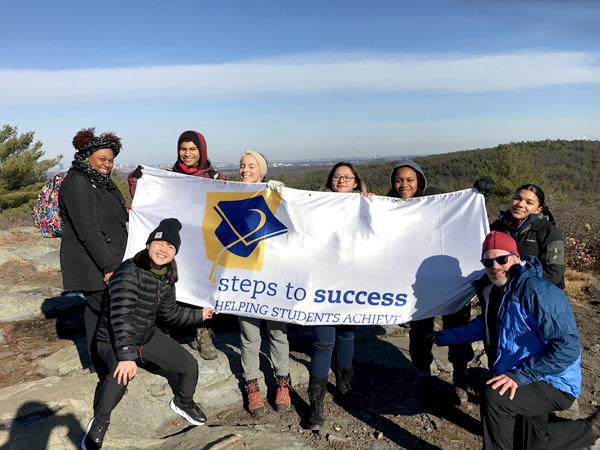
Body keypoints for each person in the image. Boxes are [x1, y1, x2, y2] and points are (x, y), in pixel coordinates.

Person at [430, 231, 599, 450]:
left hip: (552, 380)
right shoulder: (497, 292)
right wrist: (443, 337)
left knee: (495, 396)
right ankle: (593, 429)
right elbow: (485, 326)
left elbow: (567, 348)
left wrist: (519, 376)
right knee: (532, 444)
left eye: (502, 259)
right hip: (522, 376)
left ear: (517, 258)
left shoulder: (539, 292)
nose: (495, 266)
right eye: (488, 261)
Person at [81, 218, 215, 450]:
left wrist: (199, 315)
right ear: (148, 244)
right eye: (159, 243)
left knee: (189, 365)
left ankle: (183, 402)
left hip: (146, 336)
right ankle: (100, 421)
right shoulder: (128, 271)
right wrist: (125, 356)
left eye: (170, 247)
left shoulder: (165, 276)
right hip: (112, 339)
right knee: (119, 377)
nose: (163, 250)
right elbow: (120, 316)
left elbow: (170, 313)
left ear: (175, 253)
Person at [128, 130, 225, 361]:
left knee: (201, 288)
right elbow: (150, 200)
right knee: (168, 286)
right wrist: (137, 179)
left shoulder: (215, 178)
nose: (187, 153)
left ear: (201, 151)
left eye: (192, 149)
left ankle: (203, 333)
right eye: (183, 149)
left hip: (204, 243)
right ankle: (163, 335)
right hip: (177, 242)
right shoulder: (170, 176)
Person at [386, 159, 473, 400]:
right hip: (416, 283)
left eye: (409, 180)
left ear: (420, 181)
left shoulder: (437, 200)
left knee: (457, 324)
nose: (404, 184)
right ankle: (423, 374)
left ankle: (460, 372)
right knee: (420, 329)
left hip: (448, 277)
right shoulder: (385, 207)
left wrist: (476, 195)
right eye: (399, 180)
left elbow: (462, 213)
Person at [59, 128, 128, 368]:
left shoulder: (97, 180)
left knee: (97, 311)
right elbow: (87, 229)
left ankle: (96, 362)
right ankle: (110, 366)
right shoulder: (78, 182)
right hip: (93, 262)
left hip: (103, 258)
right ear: (87, 157)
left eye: (110, 160)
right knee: (108, 312)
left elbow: (104, 213)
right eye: (102, 159)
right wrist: (109, 267)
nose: (107, 164)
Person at [307, 161, 368, 431]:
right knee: (323, 341)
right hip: (322, 282)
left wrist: (375, 205)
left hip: (352, 282)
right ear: (330, 180)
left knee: (346, 334)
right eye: (337, 176)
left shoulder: (368, 206)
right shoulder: (317, 204)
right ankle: (316, 404)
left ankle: (344, 387)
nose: (341, 180)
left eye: (347, 176)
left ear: (356, 181)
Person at [236, 150, 290, 417]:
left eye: (252, 166)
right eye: (242, 165)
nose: (246, 169)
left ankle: (282, 381)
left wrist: (281, 196)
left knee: (278, 332)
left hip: (272, 279)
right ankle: (251, 384)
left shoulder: (273, 195)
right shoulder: (230, 194)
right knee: (249, 335)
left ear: (262, 171)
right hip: (244, 279)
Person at [490, 184, 565, 288]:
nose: (520, 204)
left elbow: (553, 274)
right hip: (498, 294)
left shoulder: (549, 232)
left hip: (532, 295)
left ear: (539, 209)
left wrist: (518, 275)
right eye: (517, 198)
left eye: (529, 202)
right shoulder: (497, 227)